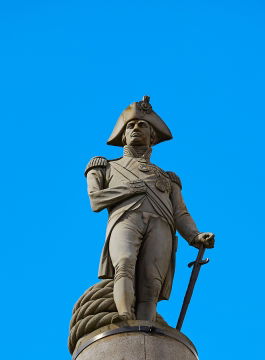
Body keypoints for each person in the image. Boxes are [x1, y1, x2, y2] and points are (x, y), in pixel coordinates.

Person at [85, 96, 215, 322]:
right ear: (123, 136)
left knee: (152, 282)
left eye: (142, 125)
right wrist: (130, 190)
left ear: (152, 137)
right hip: (125, 218)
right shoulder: (105, 166)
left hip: (162, 225)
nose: (136, 128)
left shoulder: (168, 178)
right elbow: (96, 200)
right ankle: (125, 318)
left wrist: (195, 236)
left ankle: (145, 327)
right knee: (124, 263)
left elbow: (179, 213)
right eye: (131, 125)